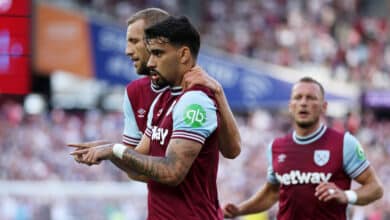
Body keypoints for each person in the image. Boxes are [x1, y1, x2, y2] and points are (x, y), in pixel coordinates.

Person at [71, 16, 224, 219]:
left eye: (158, 54)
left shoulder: (195, 102)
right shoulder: (161, 101)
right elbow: (138, 169)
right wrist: (106, 150)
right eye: (150, 54)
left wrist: (113, 149)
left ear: (183, 54)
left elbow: (172, 172)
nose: (150, 62)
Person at [223, 77, 383, 220]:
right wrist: (239, 210)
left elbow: (375, 188)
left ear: (324, 107)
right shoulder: (276, 147)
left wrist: (346, 195)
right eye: (298, 98)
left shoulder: (344, 143)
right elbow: (272, 193)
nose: (304, 103)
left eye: (311, 98)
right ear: (291, 106)